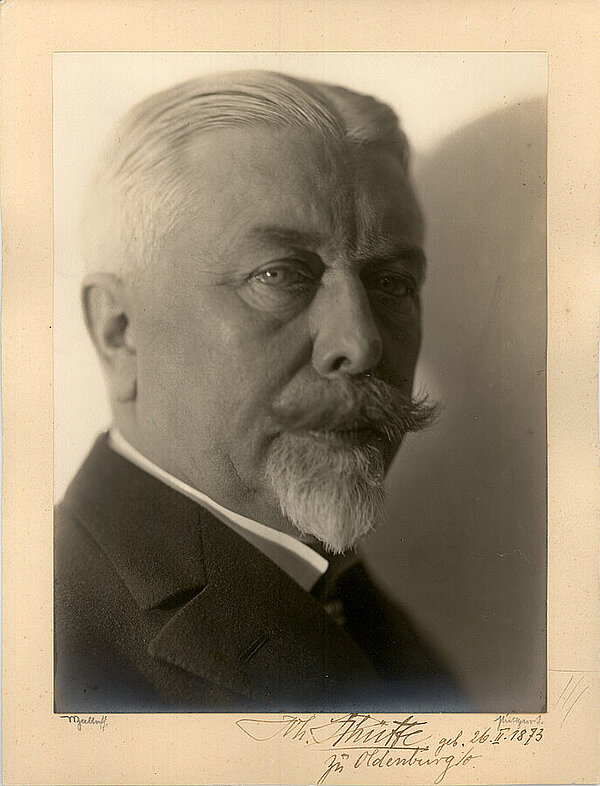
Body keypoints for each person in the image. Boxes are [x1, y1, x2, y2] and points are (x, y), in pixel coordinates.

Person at [54, 70, 464, 712]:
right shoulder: (49, 653)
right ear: (119, 332)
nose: (359, 344)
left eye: (391, 283)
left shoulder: (362, 610)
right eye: (278, 275)